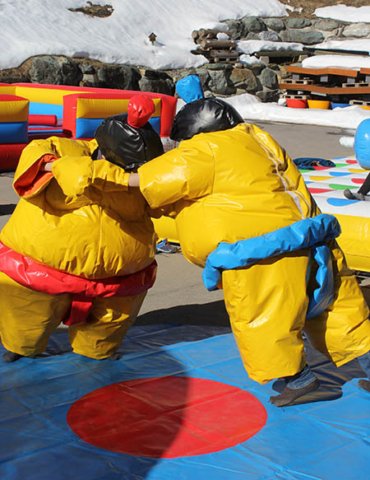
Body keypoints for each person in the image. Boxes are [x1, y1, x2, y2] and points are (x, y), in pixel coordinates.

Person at [129, 94, 370, 406]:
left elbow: (156, 180)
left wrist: (115, 177)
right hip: (316, 240)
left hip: (264, 255)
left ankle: (301, 380)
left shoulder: (205, 150)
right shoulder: (258, 139)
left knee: (263, 318)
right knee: (340, 310)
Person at [0, 95, 163, 362]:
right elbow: (34, 156)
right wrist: (59, 166)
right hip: (42, 268)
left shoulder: (147, 174)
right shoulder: (63, 149)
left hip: (120, 278)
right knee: (26, 320)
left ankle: (97, 350)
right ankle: (21, 346)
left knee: (104, 334)